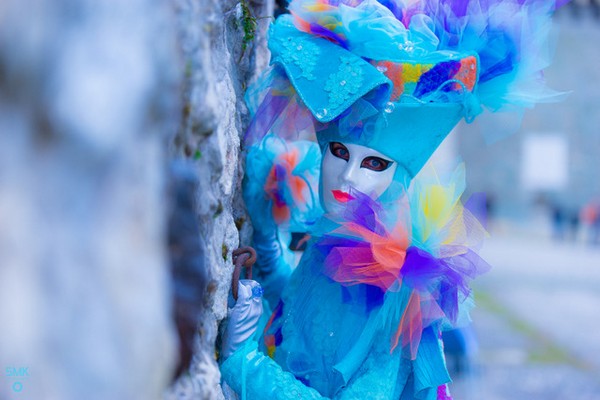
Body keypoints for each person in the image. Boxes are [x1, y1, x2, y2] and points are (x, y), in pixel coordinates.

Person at [220, 1, 565, 398]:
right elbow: (303, 322)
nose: (348, 176)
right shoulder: (337, 240)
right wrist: (266, 249)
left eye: (374, 164)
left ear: (396, 179)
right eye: (338, 152)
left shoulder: (395, 290)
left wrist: (245, 364)